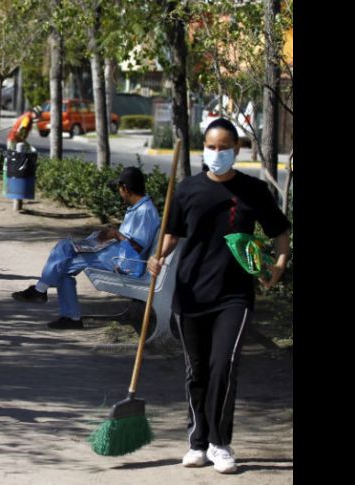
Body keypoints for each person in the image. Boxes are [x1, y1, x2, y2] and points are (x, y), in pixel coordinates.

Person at [147, 118, 291, 474]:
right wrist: (157, 256)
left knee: (222, 365)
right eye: (210, 147)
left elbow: (280, 231)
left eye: (223, 147)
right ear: (203, 149)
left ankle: (220, 443)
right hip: (191, 292)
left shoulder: (253, 190)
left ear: (237, 150)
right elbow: (173, 233)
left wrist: (280, 264)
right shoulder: (187, 190)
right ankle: (197, 442)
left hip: (234, 295)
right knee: (196, 370)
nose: (217, 153)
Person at [11, 166, 160, 329]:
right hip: (115, 254)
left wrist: (116, 235)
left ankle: (48, 297)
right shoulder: (139, 208)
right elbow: (131, 239)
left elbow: (137, 248)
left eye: (119, 188)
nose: (119, 192)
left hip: (124, 262)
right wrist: (113, 233)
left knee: (64, 262)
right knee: (64, 249)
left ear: (125, 188)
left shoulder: (144, 211)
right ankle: (56, 304)